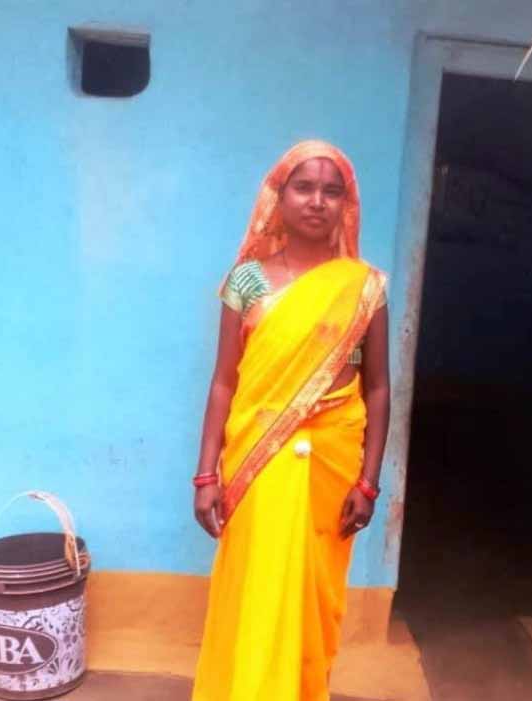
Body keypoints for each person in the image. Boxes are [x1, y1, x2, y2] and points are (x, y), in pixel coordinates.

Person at [191, 140, 390, 701]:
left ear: (346, 204)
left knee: (309, 596)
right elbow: (224, 381)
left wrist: (369, 482)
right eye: (304, 187)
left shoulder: (365, 287)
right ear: (278, 198)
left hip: (331, 464)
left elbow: (378, 387)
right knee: (257, 586)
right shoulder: (247, 282)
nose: (317, 201)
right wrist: (206, 474)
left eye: (332, 191)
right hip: (258, 461)